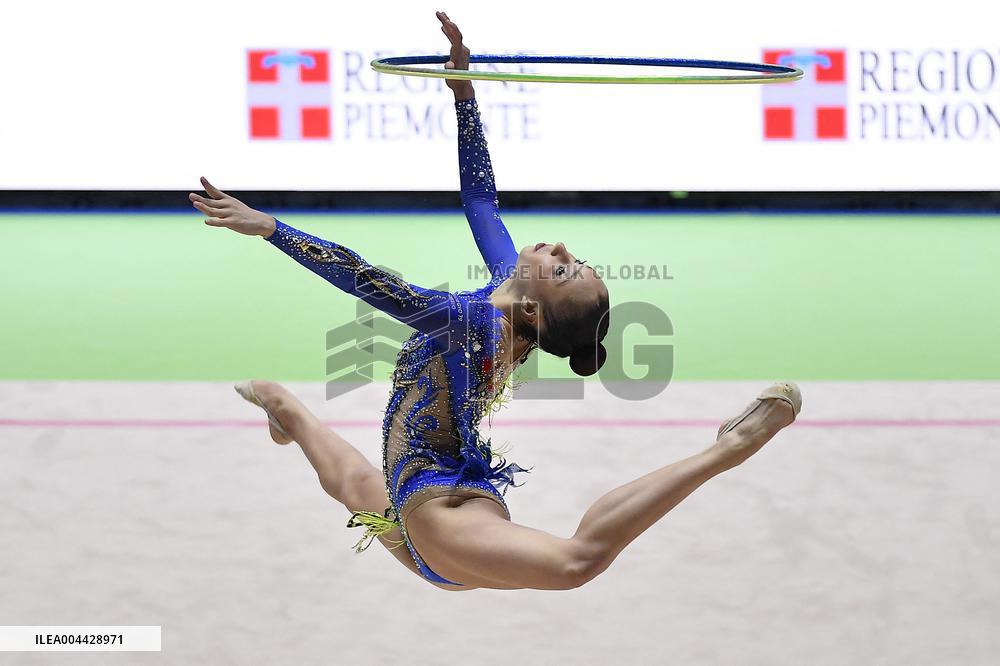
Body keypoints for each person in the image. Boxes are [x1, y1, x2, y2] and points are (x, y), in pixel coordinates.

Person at [189, 11, 801, 591]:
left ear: (534, 308)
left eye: (563, 268)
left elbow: (366, 279)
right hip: (435, 500)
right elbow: (481, 201)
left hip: (442, 510)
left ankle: (728, 448)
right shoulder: (506, 294)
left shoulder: (470, 321)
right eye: (574, 258)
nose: (559, 245)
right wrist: (464, 92)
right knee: (351, 481)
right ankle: (281, 405)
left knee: (574, 563)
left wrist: (271, 227)